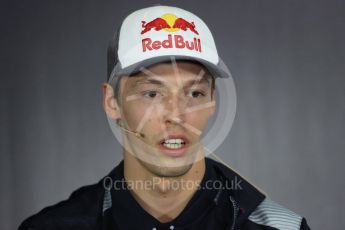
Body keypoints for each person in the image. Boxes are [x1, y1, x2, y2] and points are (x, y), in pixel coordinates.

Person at [19, 5, 310, 230]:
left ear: (212, 102)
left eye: (194, 94)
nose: (176, 115)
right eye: (152, 94)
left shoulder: (280, 227)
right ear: (112, 103)